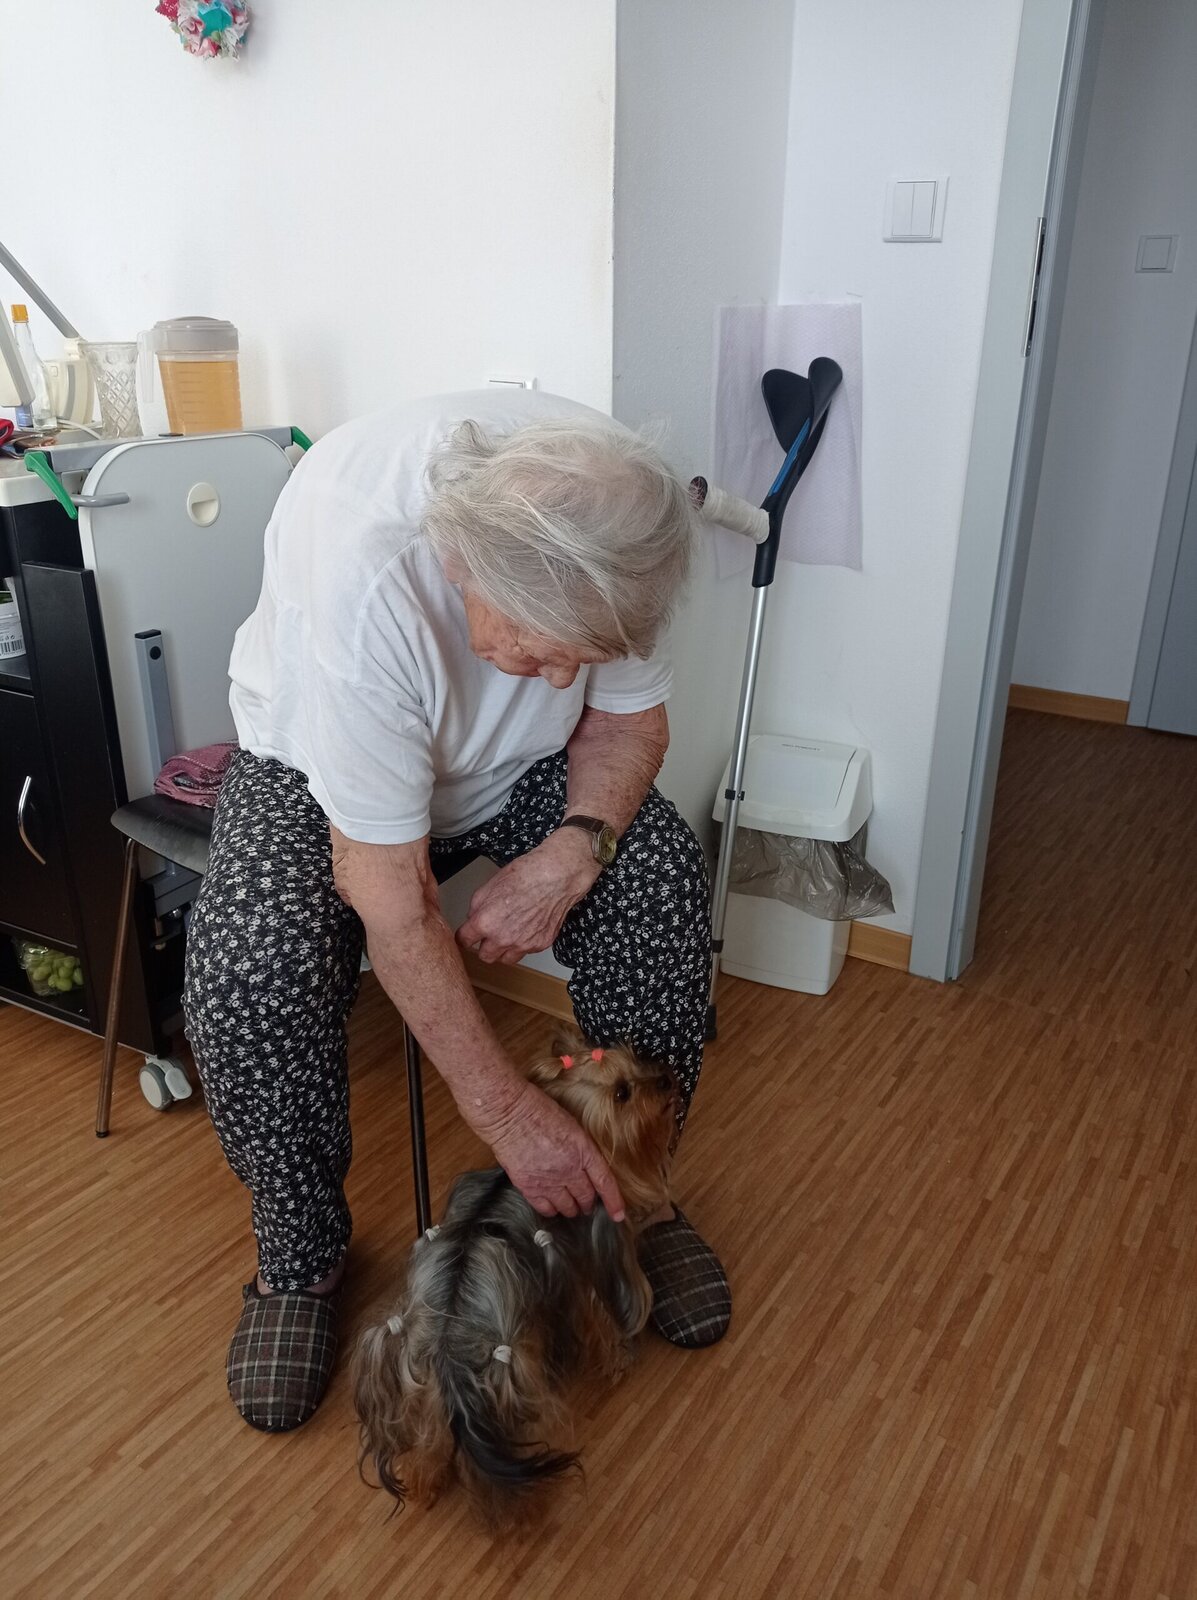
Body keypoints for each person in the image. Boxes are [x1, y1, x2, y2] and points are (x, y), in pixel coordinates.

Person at [183, 387, 730, 1433]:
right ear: (464, 567)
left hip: (515, 768)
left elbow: (625, 728)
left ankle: (631, 1194)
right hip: (312, 765)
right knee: (252, 969)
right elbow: (390, 902)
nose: (566, 674)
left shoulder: (616, 524)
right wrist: (509, 1115)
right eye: (546, 649)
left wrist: (574, 849)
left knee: (656, 882)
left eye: (585, 656)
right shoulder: (360, 564)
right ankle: (300, 1255)